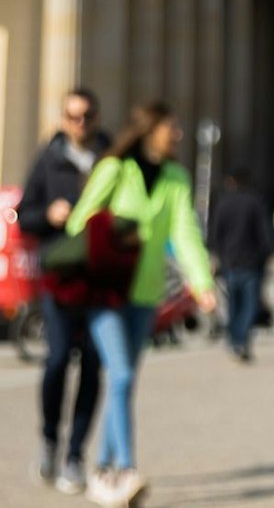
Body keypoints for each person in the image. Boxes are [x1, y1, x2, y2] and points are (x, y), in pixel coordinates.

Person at [66, 102, 217, 507]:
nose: (178, 134)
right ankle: (127, 469)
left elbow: (185, 233)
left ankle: (102, 472)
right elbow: (79, 221)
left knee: (124, 380)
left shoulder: (175, 178)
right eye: (172, 127)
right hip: (107, 291)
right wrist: (117, 232)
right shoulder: (114, 169)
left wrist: (201, 282)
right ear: (151, 129)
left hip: (145, 294)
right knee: (120, 374)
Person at [18, 89, 108, 493]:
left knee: (92, 364)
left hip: (101, 279)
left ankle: (75, 454)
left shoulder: (110, 159)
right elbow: (25, 216)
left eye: (86, 116)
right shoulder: (48, 159)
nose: (80, 124)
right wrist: (48, 214)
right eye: (73, 117)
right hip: (60, 277)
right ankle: (50, 438)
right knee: (56, 360)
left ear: (96, 117)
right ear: (63, 119)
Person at [205, 169, 274, 363]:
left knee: (233, 304)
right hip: (252, 261)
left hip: (230, 261)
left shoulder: (223, 204)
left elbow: (214, 233)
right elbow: (264, 231)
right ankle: (242, 340)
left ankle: (234, 340)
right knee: (249, 305)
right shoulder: (255, 202)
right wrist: (270, 252)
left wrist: (216, 255)